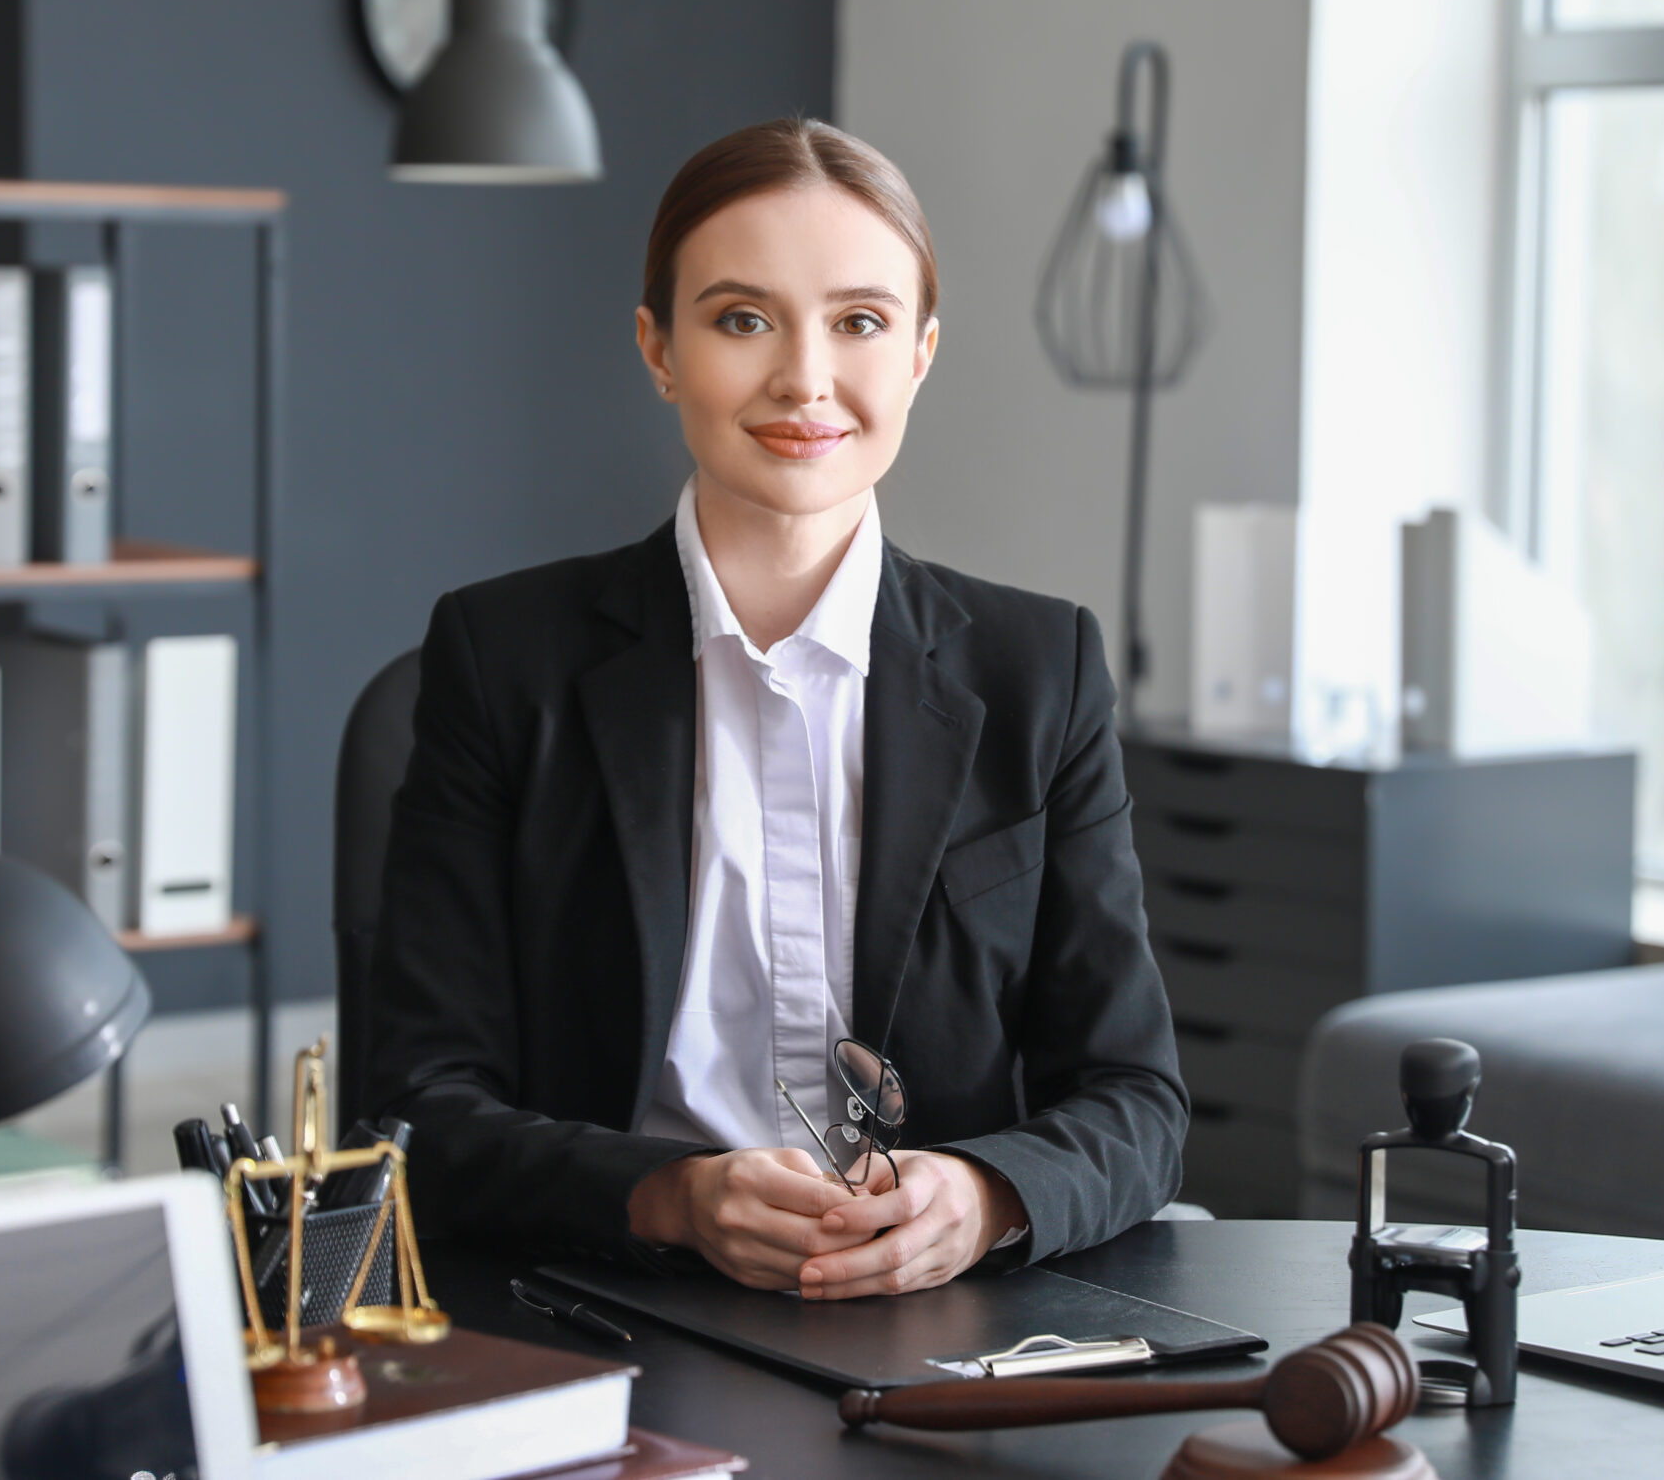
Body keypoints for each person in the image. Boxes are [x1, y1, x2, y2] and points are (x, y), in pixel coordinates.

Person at [363, 118, 1185, 1301]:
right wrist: (668, 1197)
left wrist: (986, 1194)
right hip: (616, 1303)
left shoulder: (1035, 669)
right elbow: (416, 1108)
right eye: (742, 320)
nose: (805, 378)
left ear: (920, 354)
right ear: (657, 348)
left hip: (949, 1322)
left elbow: (1136, 1102)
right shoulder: (504, 659)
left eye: (859, 322)